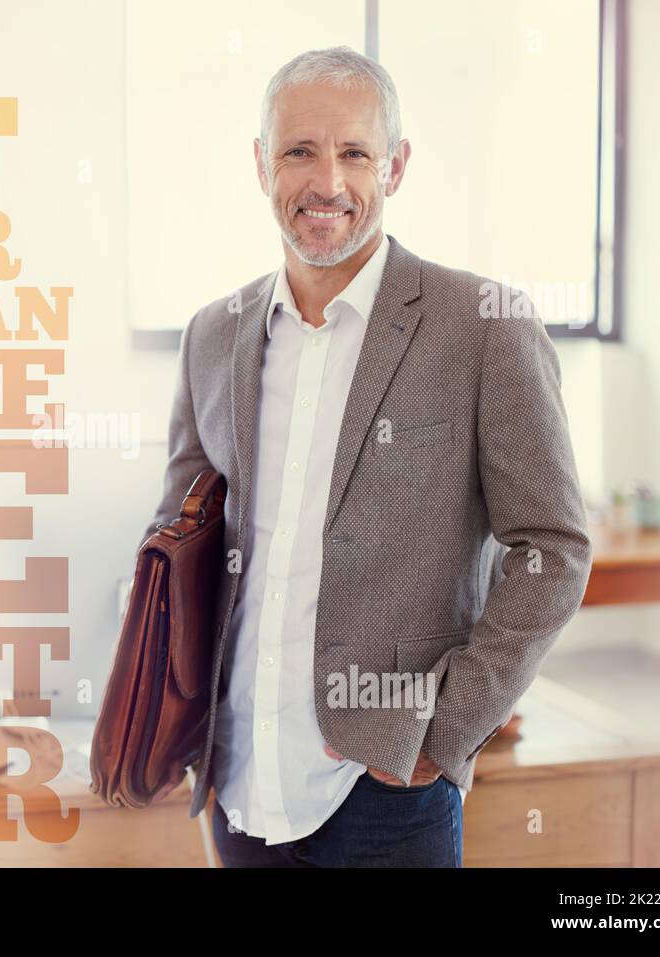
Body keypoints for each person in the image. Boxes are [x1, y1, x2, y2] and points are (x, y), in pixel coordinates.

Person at [138, 46, 591, 867]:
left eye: (354, 152)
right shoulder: (213, 335)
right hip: (239, 782)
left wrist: (446, 729)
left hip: (385, 789)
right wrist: (169, 714)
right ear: (259, 163)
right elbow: (179, 535)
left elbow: (553, 547)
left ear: (397, 164)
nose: (328, 184)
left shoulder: (483, 326)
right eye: (299, 151)